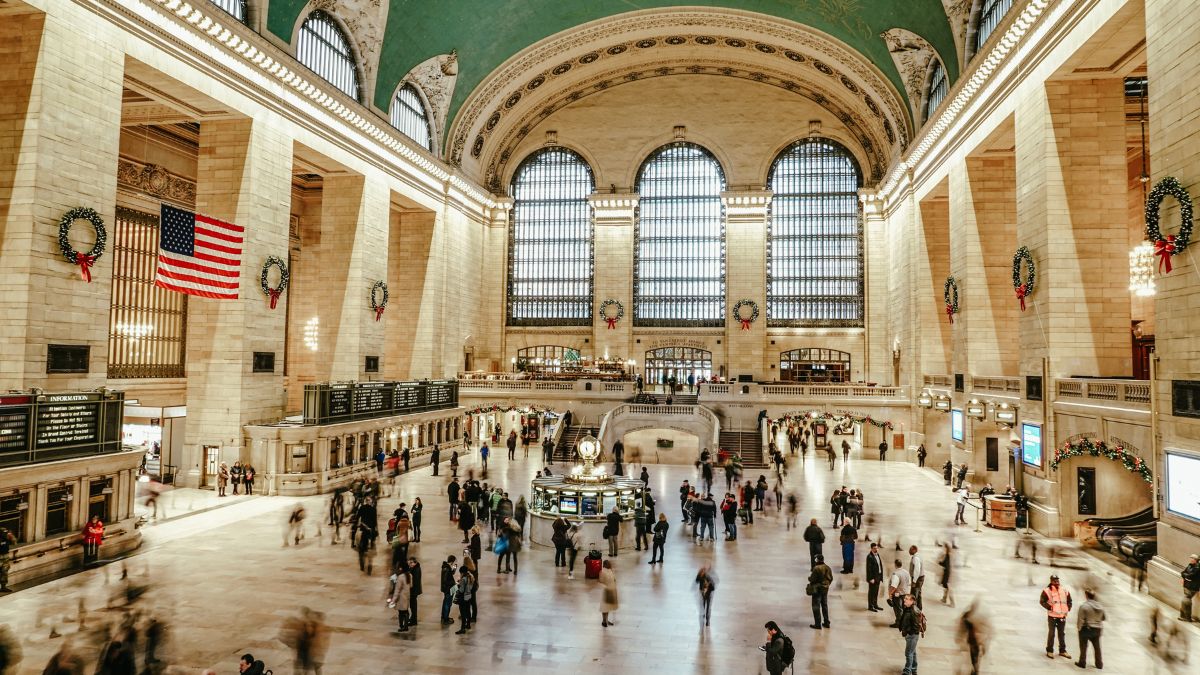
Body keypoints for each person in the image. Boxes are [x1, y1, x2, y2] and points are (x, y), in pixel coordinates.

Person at [1040, 574, 1073, 659]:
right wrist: (1050, 607)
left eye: (1057, 580)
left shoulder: (1064, 590)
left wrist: (1068, 608)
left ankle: (1062, 651)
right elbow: (1042, 601)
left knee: (1062, 634)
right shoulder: (1047, 591)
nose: (1057, 582)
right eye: (1055, 580)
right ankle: (1050, 650)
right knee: (1052, 634)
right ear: (1051, 581)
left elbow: (1069, 600)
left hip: (1062, 616)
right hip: (1052, 616)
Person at [1075, 588, 1104, 669]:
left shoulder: (1084, 606)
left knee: (1083, 646)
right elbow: (1104, 618)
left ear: (1086, 595)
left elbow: (1080, 619)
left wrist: (1079, 628)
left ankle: (1082, 662)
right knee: (1097, 647)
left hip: (1086, 629)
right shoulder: (1100, 606)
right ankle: (1099, 664)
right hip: (1097, 629)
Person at [897, 594, 921, 675]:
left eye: (907, 599)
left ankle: (907, 671)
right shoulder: (908, 608)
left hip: (912, 635)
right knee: (912, 652)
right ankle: (914, 669)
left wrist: (909, 632)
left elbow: (916, 626)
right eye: (905, 599)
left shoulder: (913, 611)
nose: (905, 600)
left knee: (908, 653)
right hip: (911, 635)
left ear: (912, 601)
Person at [808, 554, 833, 629]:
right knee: (824, 605)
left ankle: (817, 624)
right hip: (825, 589)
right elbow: (831, 578)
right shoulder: (828, 567)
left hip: (817, 589)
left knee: (816, 606)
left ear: (817, 560)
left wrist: (809, 578)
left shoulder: (816, 568)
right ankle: (826, 622)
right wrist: (826, 584)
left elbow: (812, 579)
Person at [888, 558, 912, 627]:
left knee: (898, 609)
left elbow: (894, 586)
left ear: (895, 565)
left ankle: (899, 623)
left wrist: (890, 594)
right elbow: (909, 583)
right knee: (904, 608)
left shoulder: (896, 574)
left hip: (898, 595)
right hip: (906, 593)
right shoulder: (906, 572)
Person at [866, 542, 885, 611]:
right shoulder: (869, 557)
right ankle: (870, 606)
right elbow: (869, 569)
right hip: (873, 578)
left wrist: (881, 576)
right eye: (874, 548)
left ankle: (875, 604)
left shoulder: (877, 554)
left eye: (877, 548)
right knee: (871, 592)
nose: (876, 549)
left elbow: (879, 565)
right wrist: (871, 578)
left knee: (876, 592)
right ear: (871, 549)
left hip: (878, 577)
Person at [599, 560, 618, 627]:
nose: (611, 565)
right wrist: (607, 587)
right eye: (609, 564)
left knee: (607, 607)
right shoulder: (603, 572)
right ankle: (604, 621)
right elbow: (601, 581)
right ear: (606, 565)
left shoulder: (610, 571)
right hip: (606, 592)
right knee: (604, 607)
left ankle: (606, 620)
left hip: (610, 591)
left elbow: (614, 579)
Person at [1181, 553, 1200, 621]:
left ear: (1196, 560)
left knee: (1186, 599)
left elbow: (1191, 576)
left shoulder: (1197, 568)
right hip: (1187, 585)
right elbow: (1182, 573)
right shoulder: (1190, 565)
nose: (1191, 559)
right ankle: (1184, 616)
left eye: (1193, 558)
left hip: (1193, 587)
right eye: (1191, 558)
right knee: (1186, 599)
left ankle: (1186, 617)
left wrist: (1186, 576)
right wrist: (1186, 576)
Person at [440, 555, 457, 625]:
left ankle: (444, 617)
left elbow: (450, 574)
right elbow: (445, 580)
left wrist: (454, 569)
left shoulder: (446, 567)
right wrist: (454, 583)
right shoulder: (446, 569)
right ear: (452, 561)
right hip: (448, 589)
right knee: (448, 604)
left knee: (445, 603)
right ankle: (446, 619)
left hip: (447, 588)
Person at [909, 545, 925, 610]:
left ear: (914, 550)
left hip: (917, 578)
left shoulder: (916, 558)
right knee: (918, 593)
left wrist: (914, 581)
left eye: (910, 549)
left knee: (914, 595)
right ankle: (919, 608)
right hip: (920, 577)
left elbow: (917, 570)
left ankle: (914, 610)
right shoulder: (918, 556)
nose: (909, 551)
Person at [0, 527, 15, 593]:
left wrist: (11, 536)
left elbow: (14, 542)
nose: (5, 533)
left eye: (6, 532)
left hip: (5, 556)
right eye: (4, 532)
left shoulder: (7, 537)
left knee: (5, 572)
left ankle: (3, 587)